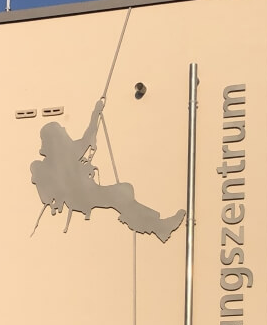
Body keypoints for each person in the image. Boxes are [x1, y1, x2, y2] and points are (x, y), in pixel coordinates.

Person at [30, 99, 185, 243]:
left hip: (87, 192)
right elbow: (50, 192)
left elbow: (89, 134)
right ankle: (159, 227)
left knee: (124, 191)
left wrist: (96, 112)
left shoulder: (67, 153)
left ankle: (159, 226)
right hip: (82, 196)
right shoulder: (48, 164)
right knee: (121, 194)